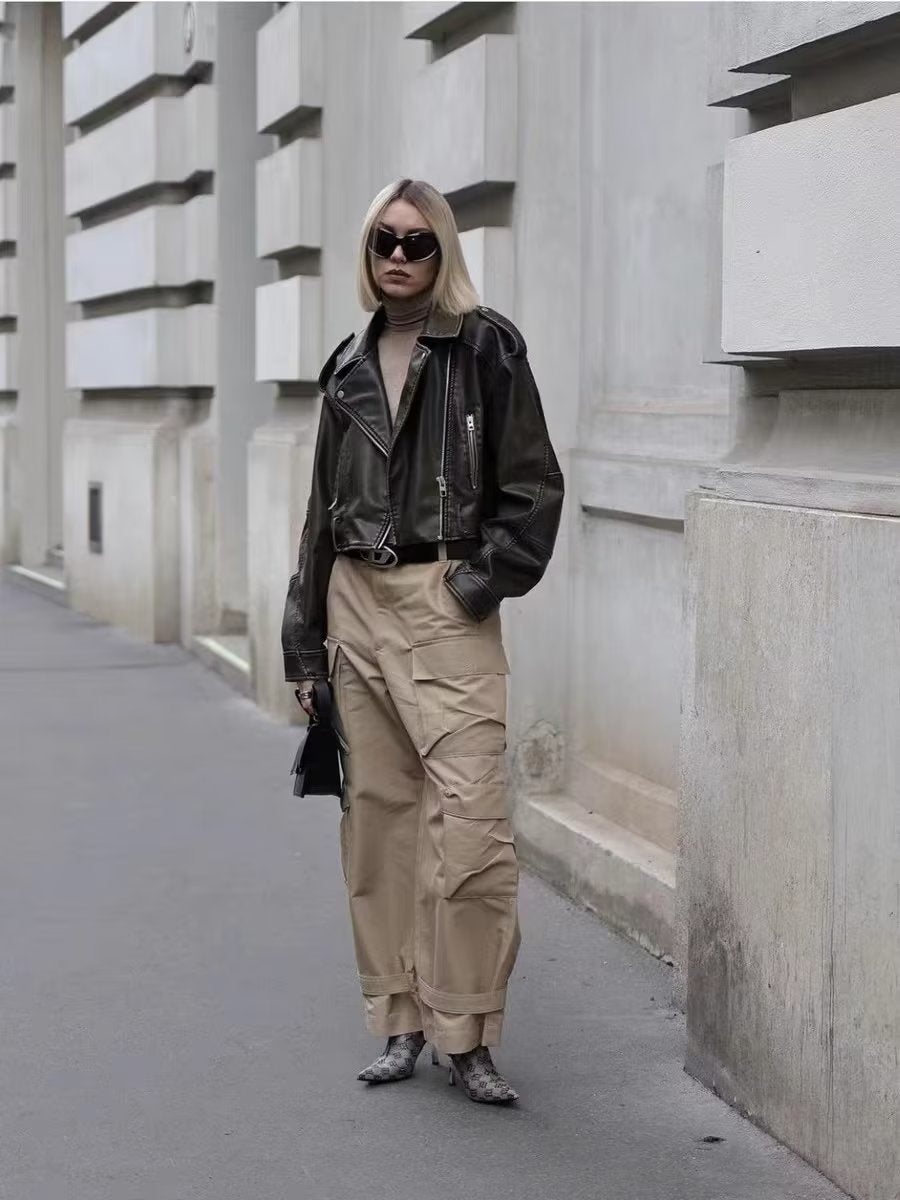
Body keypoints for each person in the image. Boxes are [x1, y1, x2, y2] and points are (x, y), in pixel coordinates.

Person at [282, 178, 564, 1105]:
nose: (399, 257)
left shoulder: (486, 346)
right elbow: (320, 518)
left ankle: (468, 1030)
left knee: (471, 821)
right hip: (354, 600)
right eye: (383, 242)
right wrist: (305, 645)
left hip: (444, 600)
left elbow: (532, 488)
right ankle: (401, 1019)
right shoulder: (347, 366)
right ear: (367, 254)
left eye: (418, 243)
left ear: (443, 252)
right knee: (380, 827)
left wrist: (475, 585)